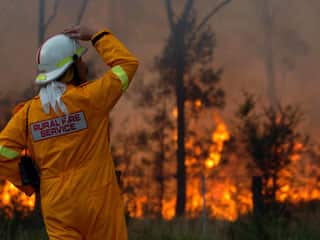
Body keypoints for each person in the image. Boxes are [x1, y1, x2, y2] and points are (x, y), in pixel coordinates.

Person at [0, 25, 139, 239]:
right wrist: (96, 35)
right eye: (79, 60)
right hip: (98, 201)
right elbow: (127, 65)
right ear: (71, 67)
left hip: (57, 205)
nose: (84, 64)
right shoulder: (91, 98)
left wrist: (28, 182)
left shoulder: (28, 114)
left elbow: (2, 152)